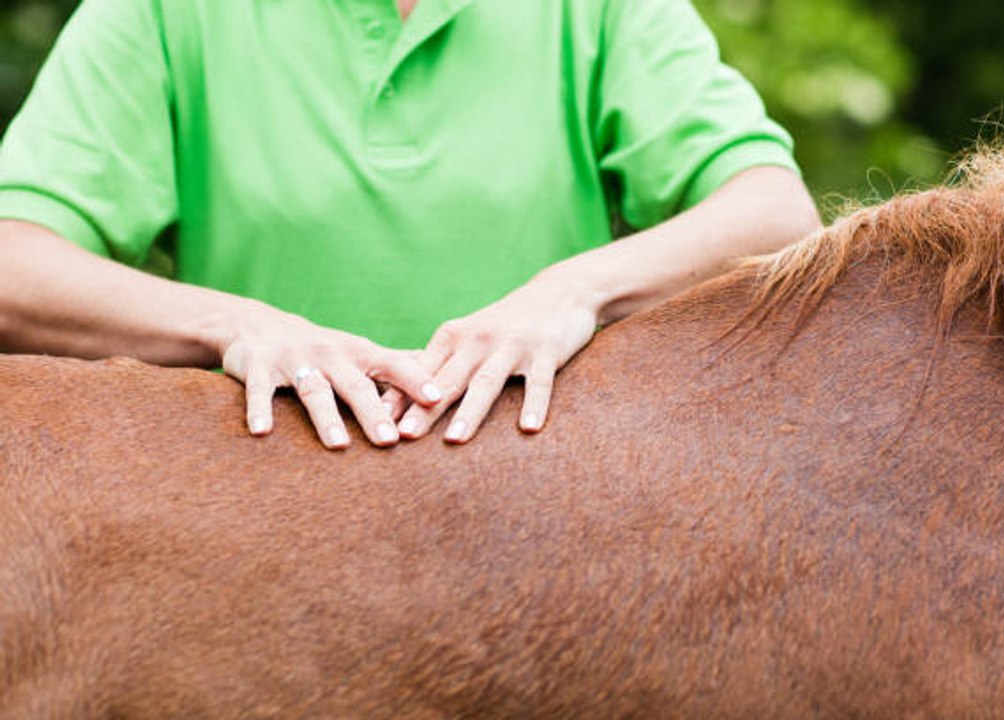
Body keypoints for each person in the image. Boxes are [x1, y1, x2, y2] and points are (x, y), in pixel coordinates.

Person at [0, 0, 821, 450]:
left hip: (547, 511)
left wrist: (573, 291)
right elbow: (14, 262)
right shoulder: (158, 12)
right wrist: (238, 326)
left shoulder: (600, 9)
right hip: (254, 508)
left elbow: (775, 212)